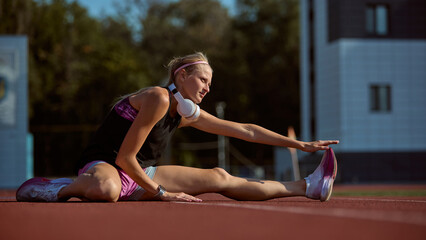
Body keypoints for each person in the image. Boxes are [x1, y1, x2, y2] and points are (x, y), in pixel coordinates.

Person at [16, 52, 339, 203]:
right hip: (107, 168)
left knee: (220, 177)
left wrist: (301, 145)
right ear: (181, 77)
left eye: (210, 83)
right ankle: (58, 187)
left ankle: (306, 187)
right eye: (203, 80)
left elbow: (245, 130)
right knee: (106, 191)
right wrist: (163, 194)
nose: (207, 88)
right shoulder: (157, 98)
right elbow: (125, 159)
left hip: (141, 174)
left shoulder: (185, 112)